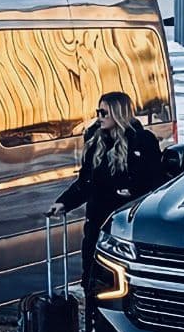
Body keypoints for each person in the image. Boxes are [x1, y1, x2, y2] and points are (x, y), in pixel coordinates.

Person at [48, 91, 162, 288]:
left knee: (118, 282)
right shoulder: (95, 141)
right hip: (96, 223)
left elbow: (155, 181)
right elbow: (85, 182)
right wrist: (64, 202)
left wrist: (132, 191)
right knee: (92, 280)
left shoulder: (142, 140)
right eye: (98, 112)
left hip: (123, 225)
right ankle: (92, 315)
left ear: (119, 113)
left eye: (104, 113)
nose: (99, 117)